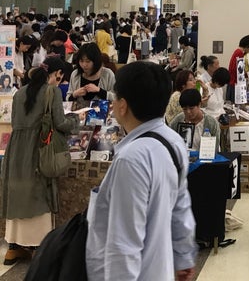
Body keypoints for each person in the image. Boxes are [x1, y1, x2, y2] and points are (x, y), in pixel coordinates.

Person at [86, 62, 197, 281]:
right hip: (160, 269)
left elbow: (123, 243)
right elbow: (181, 207)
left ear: (123, 105)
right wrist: (183, 256)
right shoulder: (173, 141)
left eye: (115, 97)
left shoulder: (132, 158)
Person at [1, 66, 80, 265]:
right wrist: (75, 119)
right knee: (39, 193)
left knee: (17, 192)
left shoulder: (19, 94)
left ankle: (13, 248)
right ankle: (40, 249)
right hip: (39, 149)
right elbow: (60, 123)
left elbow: (16, 123)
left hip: (16, 149)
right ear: (51, 76)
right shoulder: (52, 92)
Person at [66, 42, 116, 107]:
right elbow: (68, 99)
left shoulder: (108, 74)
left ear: (96, 61)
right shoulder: (75, 74)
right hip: (78, 112)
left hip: (102, 112)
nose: (84, 65)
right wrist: (74, 94)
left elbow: (116, 98)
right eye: (81, 61)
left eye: (88, 61)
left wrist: (99, 91)